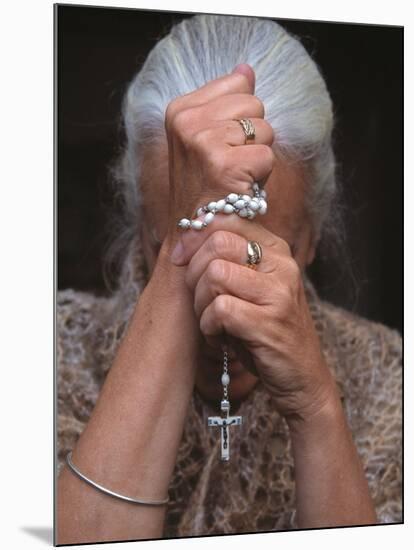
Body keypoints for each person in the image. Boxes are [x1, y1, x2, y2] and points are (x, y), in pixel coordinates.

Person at [56, 14, 402, 545]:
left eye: (256, 253)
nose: (221, 305)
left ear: (309, 238)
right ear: (142, 229)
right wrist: (179, 264)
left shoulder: (390, 383)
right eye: (175, 239)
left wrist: (315, 408)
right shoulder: (50, 355)